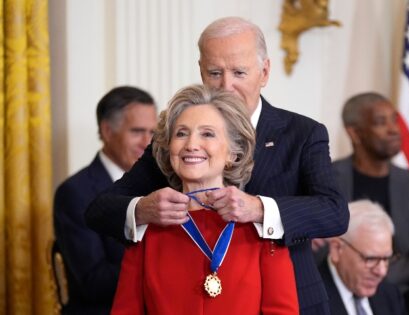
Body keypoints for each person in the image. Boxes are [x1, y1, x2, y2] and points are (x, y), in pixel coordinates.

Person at [86, 17, 349, 314]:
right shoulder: (176, 139)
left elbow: (335, 212)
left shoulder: (303, 133)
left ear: (264, 72)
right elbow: (99, 209)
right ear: (201, 71)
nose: (227, 85)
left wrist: (259, 209)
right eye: (214, 73)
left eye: (239, 72)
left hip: (295, 302)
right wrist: (143, 209)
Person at [111, 84, 299, 314]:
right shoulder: (145, 229)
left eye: (207, 134)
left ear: (233, 152)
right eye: (181, 133)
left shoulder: (264, 228)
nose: (191, 145)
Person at [54, 86, 157, 314]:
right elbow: (94, 282)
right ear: (108, 131)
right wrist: (161, 264)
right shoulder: (75, 192)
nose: (147, 142)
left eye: (153, 132)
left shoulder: (162, 186)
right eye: (137, 131)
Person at [313, 92, 409, 291]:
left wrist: (377, 275)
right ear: (355, 133)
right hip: (334, 293)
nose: (394, 130)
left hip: (404, 297)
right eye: (381, 122)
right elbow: (316, 248)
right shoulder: (325, 180)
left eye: (394, 120)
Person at [318, 200, 406, 315]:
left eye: (386, 259)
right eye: (370, 259)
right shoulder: (307, 300)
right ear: (337, 249)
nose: (381, 271)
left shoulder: (390, 295)